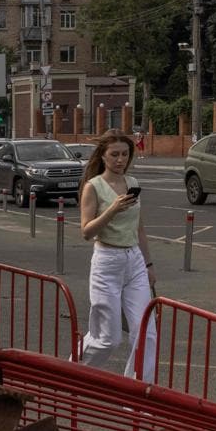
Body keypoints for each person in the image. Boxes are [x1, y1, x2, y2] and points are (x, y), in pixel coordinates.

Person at [77, 128, 157, 381]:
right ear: (102, 156)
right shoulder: (94, 187)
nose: (120, 160)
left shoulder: (132, 184)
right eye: (114, 155)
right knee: (107, 338)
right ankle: (72, 373)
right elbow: (87, 232)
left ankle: (137, 397)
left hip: (134, 260)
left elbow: (139, 227)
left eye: (125, 154)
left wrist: (149, 264)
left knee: (147, 332)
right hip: (107, 261)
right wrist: (111, 209)